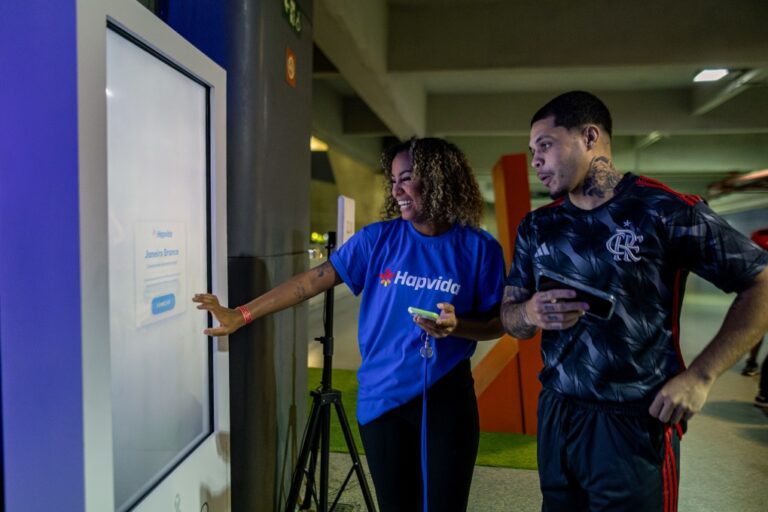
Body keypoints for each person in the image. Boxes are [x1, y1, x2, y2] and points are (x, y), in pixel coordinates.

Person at [194, 137, 506, 512]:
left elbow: (495, 324)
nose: (397, 190)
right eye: (393, 180)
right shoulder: (377, 240)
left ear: (439, 179)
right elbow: (309, 282)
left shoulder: (480, 248)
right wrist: (240, 314)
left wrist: (458, 327)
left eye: (407, 178)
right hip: (382, 398)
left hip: (446, 396)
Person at [500, 91, 768, 511]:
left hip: (633, 421)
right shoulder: (539, 226)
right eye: (532, 150)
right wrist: (529, 312)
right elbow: (510, 315)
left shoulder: (664, 210)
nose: (535, 159)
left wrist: (701, 375)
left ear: (590, 137)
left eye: (546, 145)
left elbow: (762, 283)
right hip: (557, 412)